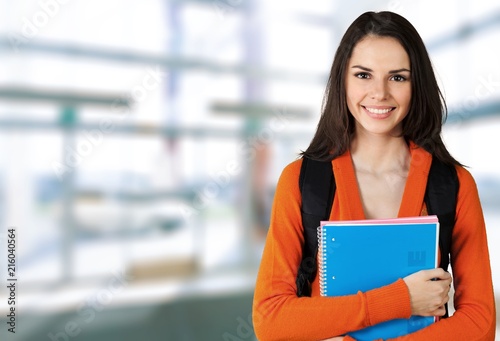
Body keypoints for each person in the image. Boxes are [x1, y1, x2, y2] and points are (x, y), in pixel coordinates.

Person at [252, 11, 496, 341]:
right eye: (363, 75)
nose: (379, 93)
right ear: (343, 80)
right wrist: (402, 300)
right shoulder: (301, 182)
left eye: (397, 77)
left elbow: (480, 322)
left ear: (416, 84)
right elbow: (271, 320)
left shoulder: (452, 185)